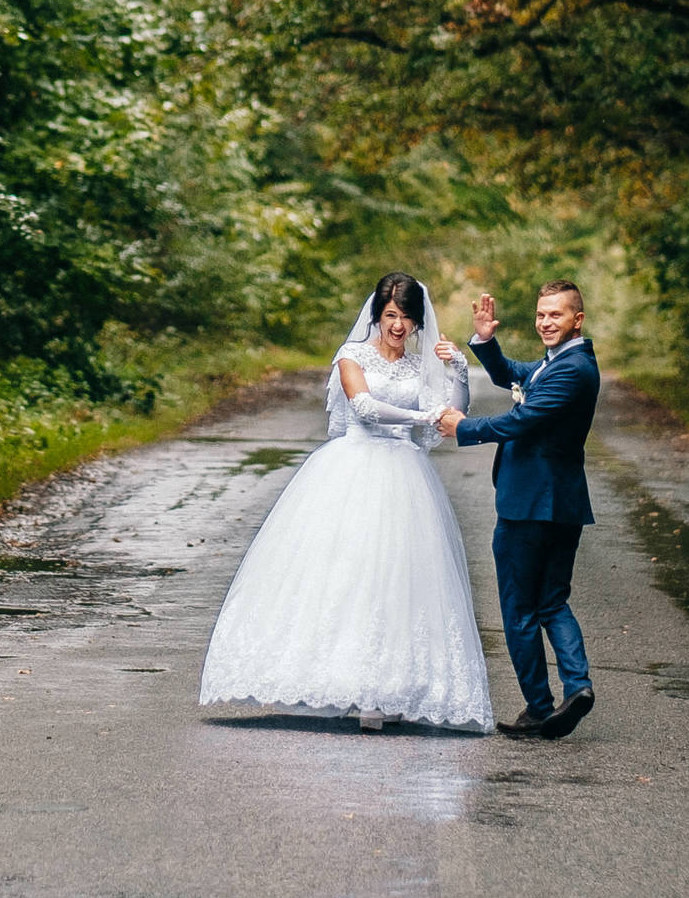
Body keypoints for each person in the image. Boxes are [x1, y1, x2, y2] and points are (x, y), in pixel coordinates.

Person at [197, 272, 493, 733]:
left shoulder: (421, 367)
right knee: (346, 570)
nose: (398, 326)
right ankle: (341, 680)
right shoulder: (351, 356)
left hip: (406, 476)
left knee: (398, 578)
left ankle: (390, 688)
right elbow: (364, 407)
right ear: (377, 316)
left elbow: (450, 419)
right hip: (353, 467)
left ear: (418, 322)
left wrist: (457, 371)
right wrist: (422, 414)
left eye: (407, 317)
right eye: (390, 315)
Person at [435, 280, 600, 740]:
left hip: (530, 504)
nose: (546, 322)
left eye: (556, 315)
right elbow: (510, 374)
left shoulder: (572, 370)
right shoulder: (559, 361)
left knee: (519, 608)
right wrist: (485, 340)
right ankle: (578, 687)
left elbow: (522, 420)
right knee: (552, 600)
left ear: (577, 320)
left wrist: (464, 427)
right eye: (541, 314)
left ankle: (539, 707)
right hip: (562, 504)